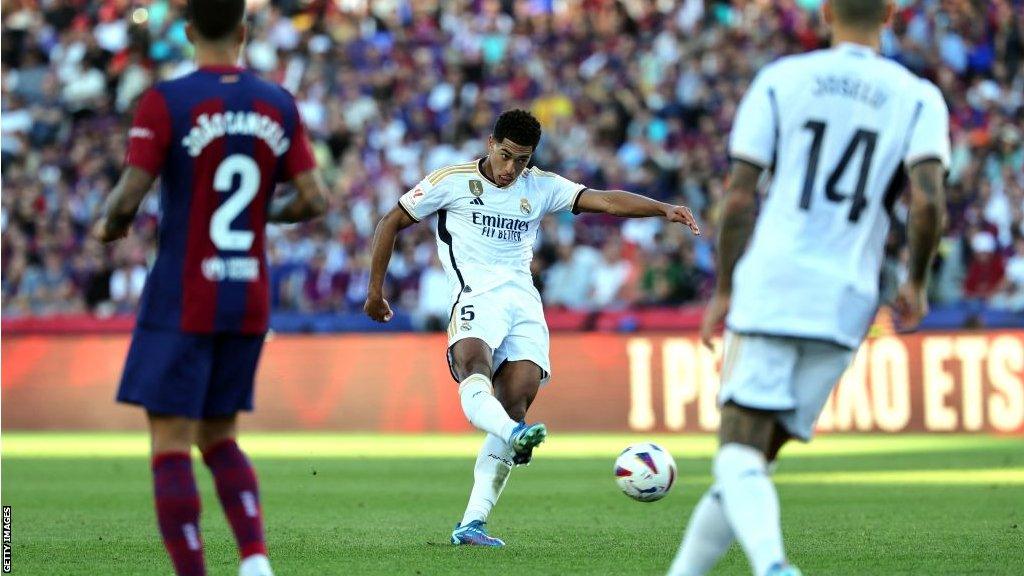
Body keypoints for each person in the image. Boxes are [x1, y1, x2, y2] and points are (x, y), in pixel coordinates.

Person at [669, 1, 949, 575]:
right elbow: (927, 200)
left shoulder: (782, 80)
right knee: (752, 463)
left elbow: (741, 195)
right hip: (848, 298)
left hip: (776, 283)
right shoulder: (918, 95)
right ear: (890, 14)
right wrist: (916, 280)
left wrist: (724, 290)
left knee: (737, 453)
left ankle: (774, 566)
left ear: (824, 13)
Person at [364, 109, 700, 546]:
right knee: (474, 369)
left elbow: (608, 201)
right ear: (491, 143)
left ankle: (472, 523)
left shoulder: (539, 187)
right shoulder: (452, 180)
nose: (510, 169)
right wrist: (375, 291)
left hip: (523, 303)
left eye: (521, 160)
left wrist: (662, 209)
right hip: (474, 297)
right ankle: (514, 437)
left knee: (515, 401)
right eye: (505, 156)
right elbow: (391, 221)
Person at [92, 1, 327, 574]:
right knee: (220, 435)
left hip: (183, 292)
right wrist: (263, 218)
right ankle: (253, 561)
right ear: (244, 33)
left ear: (190, 30)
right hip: (247, 293)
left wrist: (109, 226)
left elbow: (129, 195)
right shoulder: (278, 102)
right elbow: (315, 198)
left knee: (171, 442)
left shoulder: (168, 100)